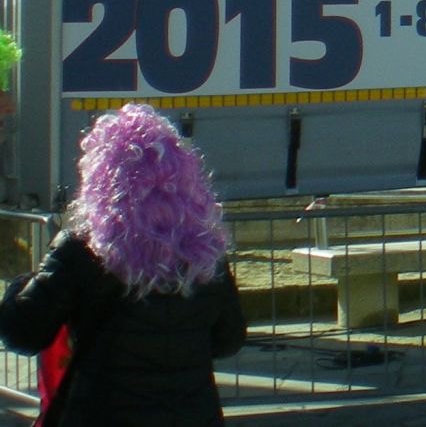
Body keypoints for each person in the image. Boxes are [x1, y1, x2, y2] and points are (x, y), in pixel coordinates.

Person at [0, 103, 246, 425]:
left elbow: (23, 333)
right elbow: (229, 340)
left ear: (102, 179)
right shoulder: (204, 253)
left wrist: (19, 286)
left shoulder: (82, 251)